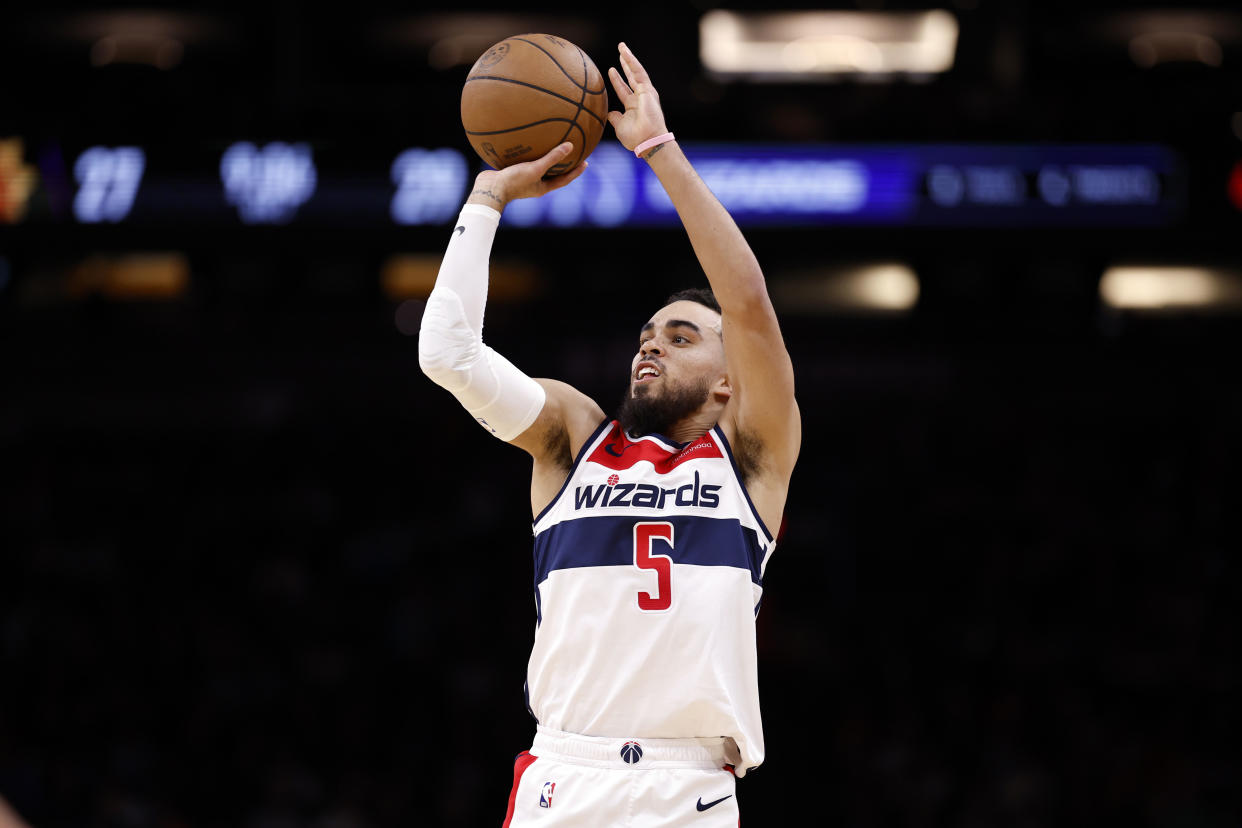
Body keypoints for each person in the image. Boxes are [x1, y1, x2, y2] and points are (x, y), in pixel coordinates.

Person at [419, 42, 800, 826]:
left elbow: (750, 303)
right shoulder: (571, 436)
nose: (652, 344)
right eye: (648, 334)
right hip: (565, 772)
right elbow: (446, 354)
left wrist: (659, 152)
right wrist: (487, 198)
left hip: (685, 787)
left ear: (731, 383)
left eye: (684, 337)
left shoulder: (750, 459)